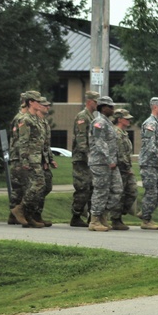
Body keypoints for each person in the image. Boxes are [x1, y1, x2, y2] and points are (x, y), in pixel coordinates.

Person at [9, 91, 47, 228]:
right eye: (37, 101)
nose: (40, 104)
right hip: (29, 158)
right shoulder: (25, 119)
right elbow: (23, 142)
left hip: (36, 158)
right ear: (30, 102)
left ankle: (28, 215)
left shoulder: (36, 118)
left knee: (39, 186)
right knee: (38, 184)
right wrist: (24, 160)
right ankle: (20, 209)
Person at [88, 96, 122, 232]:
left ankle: (102, 214)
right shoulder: (99, 122)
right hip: (100, 162)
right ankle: (95, 219)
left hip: (111, 163)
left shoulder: (108, 123)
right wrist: (109, 159)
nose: (113, 109)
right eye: (110, 107)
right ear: (103, 108)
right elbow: (99, 141)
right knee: (101, 190)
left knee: (117, 189)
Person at [70, 90, 99, 227]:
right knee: (83, 187)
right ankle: (76, 215)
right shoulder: (83, 116)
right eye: (95, 101)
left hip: (90, 159)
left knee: (92, 187)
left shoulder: (92, 117)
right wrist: (88, 155)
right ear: (89, 102)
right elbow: (81, 139)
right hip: (82, 159)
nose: (97, 104)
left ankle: (90, 216)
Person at [138, 97, 158, 230]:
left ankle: (145, 210)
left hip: (156, 164)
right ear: (154, 107)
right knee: (151, 192)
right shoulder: (150, 124)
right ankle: (146, 220)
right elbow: (150, 147)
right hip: (149, 163)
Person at [108, 108, 137, 230]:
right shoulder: (116, 133)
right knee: (119, 193)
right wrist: (125, 166)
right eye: (126, 118)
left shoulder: (123, 133)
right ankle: (116, 219)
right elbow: (118, 152)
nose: (129, 120)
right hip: (119, 168)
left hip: (126, 168)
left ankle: (120, 214)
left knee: (131, 191)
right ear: (119, 119)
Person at [37, 97, 55, 226]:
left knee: (47, 186)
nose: (47, 107)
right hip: (36, 160)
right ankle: (33, 214)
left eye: (48, 105)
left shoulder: (44, 122)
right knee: (38, 187)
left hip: (44, 160)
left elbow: (46, 144)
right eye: (44, 105)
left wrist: (50, 159)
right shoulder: (34, 121)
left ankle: (37, 213)